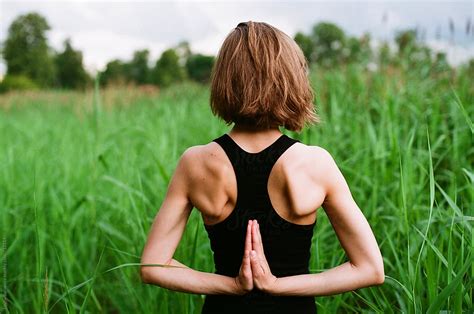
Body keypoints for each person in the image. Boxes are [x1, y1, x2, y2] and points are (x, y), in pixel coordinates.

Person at [140, 21, 384, 313]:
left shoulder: (196, 163)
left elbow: (153, 266)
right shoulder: (314, 163)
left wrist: (231, 285)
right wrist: (276, 285)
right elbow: (370, 269)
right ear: (290, 80)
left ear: (225, 81)